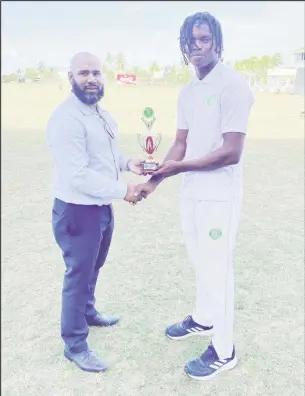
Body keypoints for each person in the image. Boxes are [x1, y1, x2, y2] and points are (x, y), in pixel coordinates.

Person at [136, 12, 254, 380]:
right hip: (192, 195)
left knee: (219, 269)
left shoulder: (233, 86)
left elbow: (231, 152)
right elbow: (181, 143)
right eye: (190, 40)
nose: (196, 46)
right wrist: (155, 180)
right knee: (201, 263)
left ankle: (224, 350)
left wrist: (178, 168)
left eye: (204, 39)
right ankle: (204, 319)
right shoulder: (187, 90)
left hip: (220, 197)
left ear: (217, 43)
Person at [46, 52, 145, 373]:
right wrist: (124, 190)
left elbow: (106, 156)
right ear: (70, 78)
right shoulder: (66, 119)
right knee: (78, 274)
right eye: (84, 73)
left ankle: (88, 311)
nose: (91, 78)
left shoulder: (99, 113)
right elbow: (77, 174)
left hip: (100, 208)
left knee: (94, 266)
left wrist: (128, 162)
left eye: (96, 73)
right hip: (77, 211)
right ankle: (75, 344)